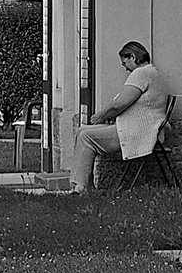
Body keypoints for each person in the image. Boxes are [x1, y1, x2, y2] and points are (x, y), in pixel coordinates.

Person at [70, 41, 171, 193]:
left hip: (139, 132)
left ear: (133, 56)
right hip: (143, 128)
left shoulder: (142, 73)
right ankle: (83, 185)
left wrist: (102, 116)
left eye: (125, 62)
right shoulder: (152, 72)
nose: (125, 67)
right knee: (81, 131)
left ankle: (81, 188)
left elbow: (120, 104)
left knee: (85, 136)